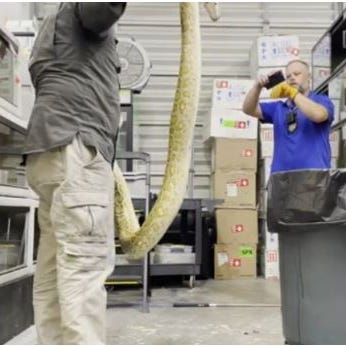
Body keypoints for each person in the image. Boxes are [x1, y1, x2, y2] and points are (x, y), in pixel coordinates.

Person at [23, 3, 127, 344]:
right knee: (82, 274)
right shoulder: (81, 9)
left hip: (50, 153)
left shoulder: (54, 22)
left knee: (54, 278)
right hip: (77, 150)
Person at [242, 60, 334, 173]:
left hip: (314, 177)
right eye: (288, 76)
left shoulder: (321, 100)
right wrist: (257, 87)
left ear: (309, 77)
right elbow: (248, 109)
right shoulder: (279, 108)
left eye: (297, 74)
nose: (292, 78)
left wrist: (293, 93)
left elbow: (319, 115)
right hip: (281, 179)